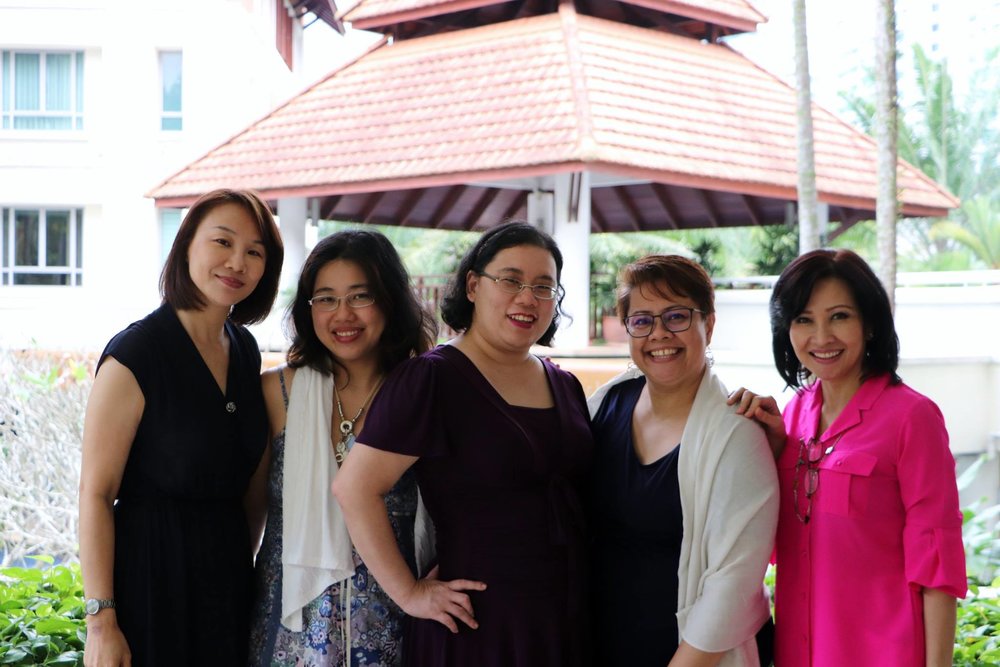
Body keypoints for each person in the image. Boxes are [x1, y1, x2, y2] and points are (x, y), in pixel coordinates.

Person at [332, 221, 595, 667]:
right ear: (473, 285)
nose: (527, 298)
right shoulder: (433, 377)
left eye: (543, 287)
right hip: (477, 623)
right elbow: (354, 488)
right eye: (510, 280)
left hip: (565, 611)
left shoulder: (565, 384)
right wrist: (410, 593)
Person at [730, 249, 967, 666]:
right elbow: (769, 540)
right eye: (804, 320)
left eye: (839, 316)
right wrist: (769, 448)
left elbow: (937, 567)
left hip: (885, 653)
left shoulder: (913, 417)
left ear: (870, 323)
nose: (821, 337)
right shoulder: (793, 416)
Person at [79, 188, 284, 666]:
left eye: (255, 252)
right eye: (223, 242)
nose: (237, 262)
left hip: (230, 582)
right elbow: (95, 493)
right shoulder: (136, 355)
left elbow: (247, 481)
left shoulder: (245, 349)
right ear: (186, 244)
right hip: (150, 583)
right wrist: (101, 622)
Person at [248, 230, 437, 665]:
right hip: (287, 630)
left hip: (395, 627)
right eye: (326, 299)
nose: (343, 315)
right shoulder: (275, 393)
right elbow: (249, 515)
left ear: (389, 301)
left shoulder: (420, 393)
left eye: (360, 296)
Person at [587, 255, 779, 667]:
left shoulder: (736, 433)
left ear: (708, 325)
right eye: (642, 320)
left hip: (693, 655)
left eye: (676, 316)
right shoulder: (604, 407)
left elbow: (732, 583)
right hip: (602, 640)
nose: (659, 333)